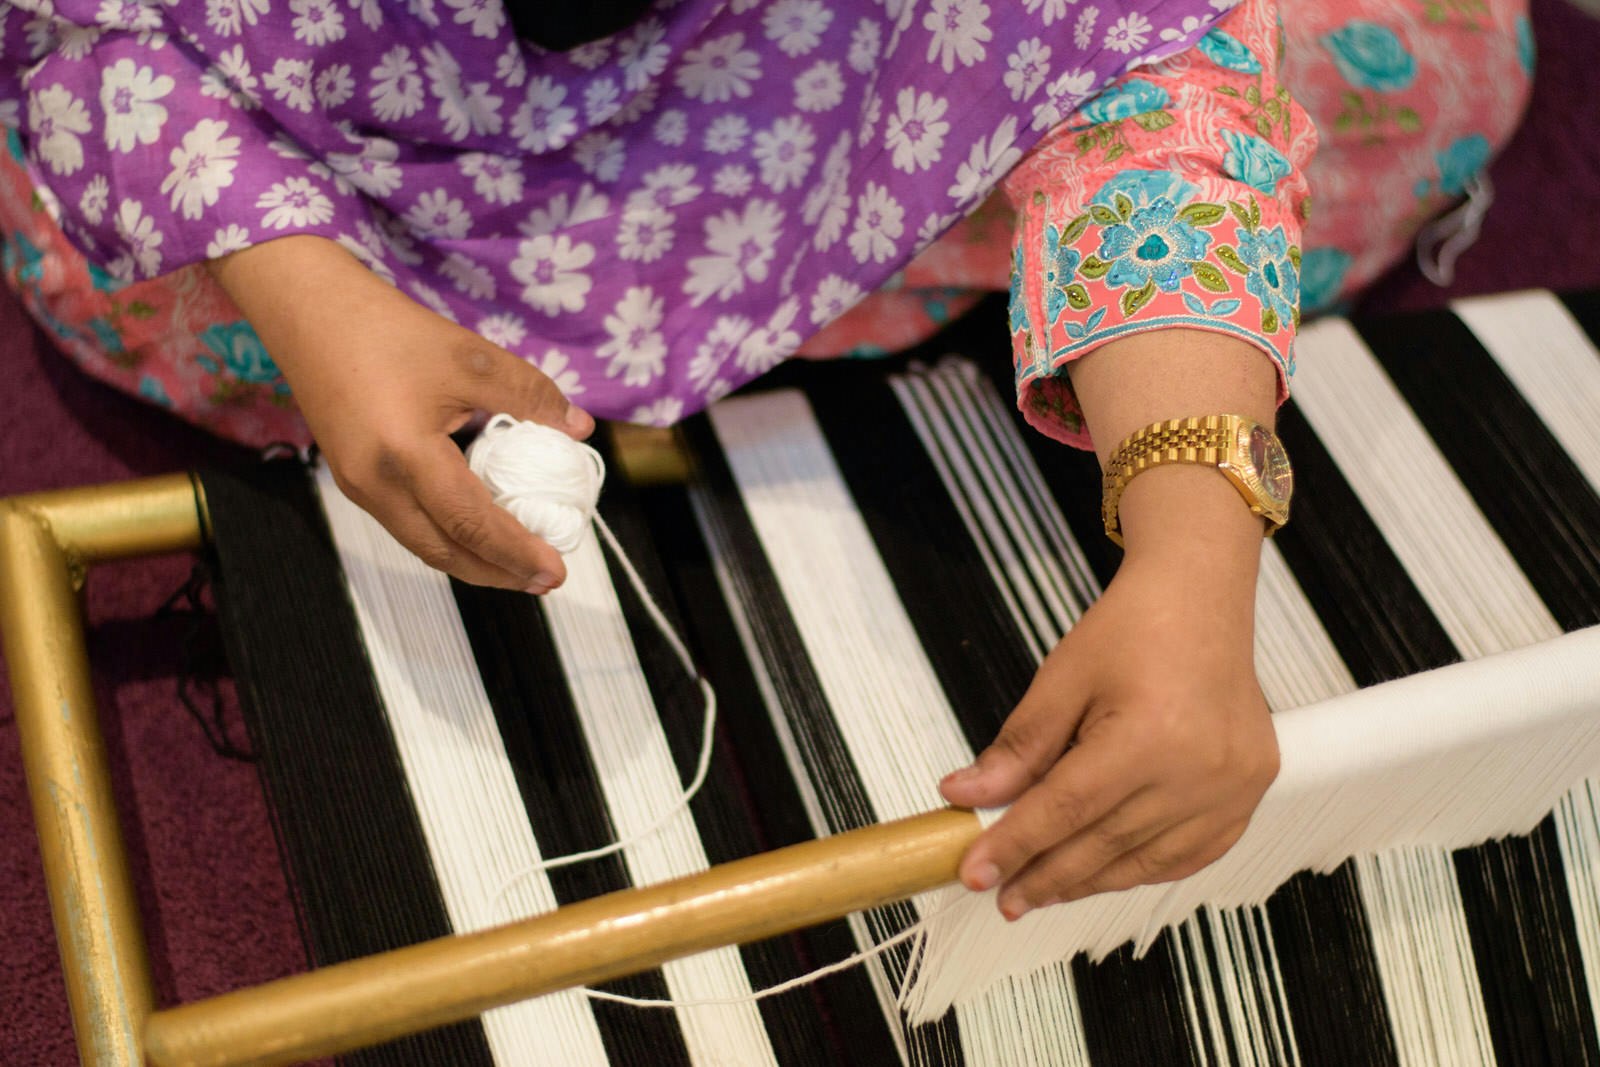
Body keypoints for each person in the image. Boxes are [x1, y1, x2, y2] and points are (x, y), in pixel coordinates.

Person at [0, 0, 1532, 922]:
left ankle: (743, 275)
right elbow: (91, 31)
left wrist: (1197, 542)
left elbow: (1147, 62)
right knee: (165, 308)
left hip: (806, 65)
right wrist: (317, 302)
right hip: (377, 80)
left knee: (1436, 64)